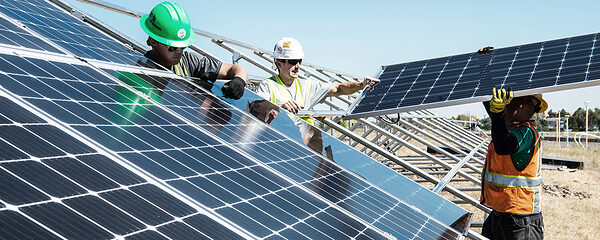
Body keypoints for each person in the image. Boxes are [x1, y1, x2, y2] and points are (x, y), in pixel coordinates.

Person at [255, 37, 380, 125]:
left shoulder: (308, 85)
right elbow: (256, 112)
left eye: (299, 61)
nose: (297, 66)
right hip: (278, 142)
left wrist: (361, 85)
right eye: (293, 62)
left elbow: (339, 88)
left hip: (303, 141)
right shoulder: (267, 86)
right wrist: (279, 107)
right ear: (279, 63)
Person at [140, 1, 248, 99]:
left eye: (182, 47)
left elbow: (235, 69)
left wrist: (239, 81)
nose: (179, 52)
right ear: (153, 41)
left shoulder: (190, 61)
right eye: (173, 47)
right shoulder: (139, 72)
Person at [481, 88, 547, 240]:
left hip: (520, 220)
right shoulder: (510, 128)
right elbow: (496, 119)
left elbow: (503, 145)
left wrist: (497, 114)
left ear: (525, 106)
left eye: (508, 103)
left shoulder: (526, 133)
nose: (505, 107)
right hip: (501, 215)